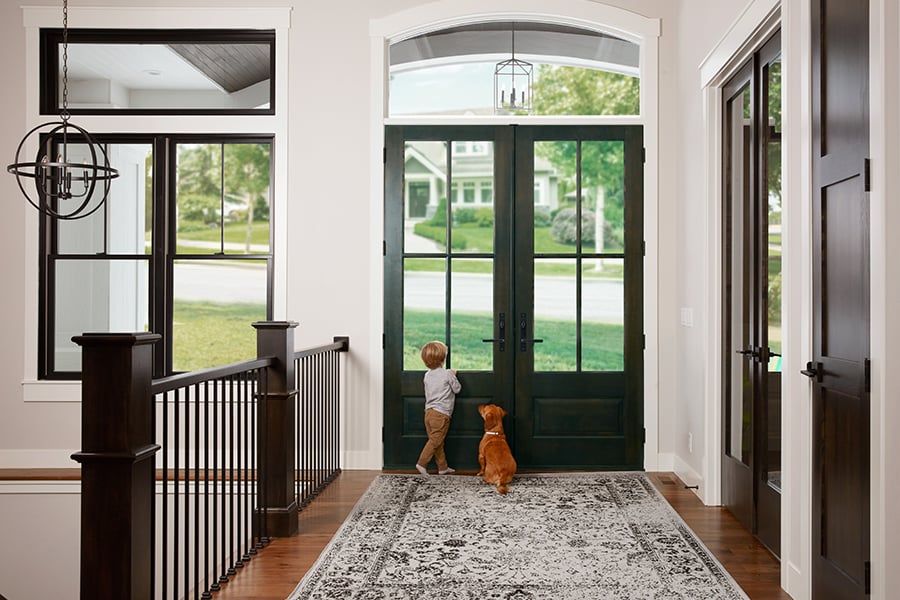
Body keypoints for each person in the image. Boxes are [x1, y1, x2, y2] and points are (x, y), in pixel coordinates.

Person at [416, 340, 461, 476]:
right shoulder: (447, 374)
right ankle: (421, 463)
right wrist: (453, 375)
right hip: (441, 414)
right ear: (443, 358)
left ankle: (443, 467)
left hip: (429, 413)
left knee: (438, 442)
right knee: (435, 441)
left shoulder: (427, 375)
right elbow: (457, 389)